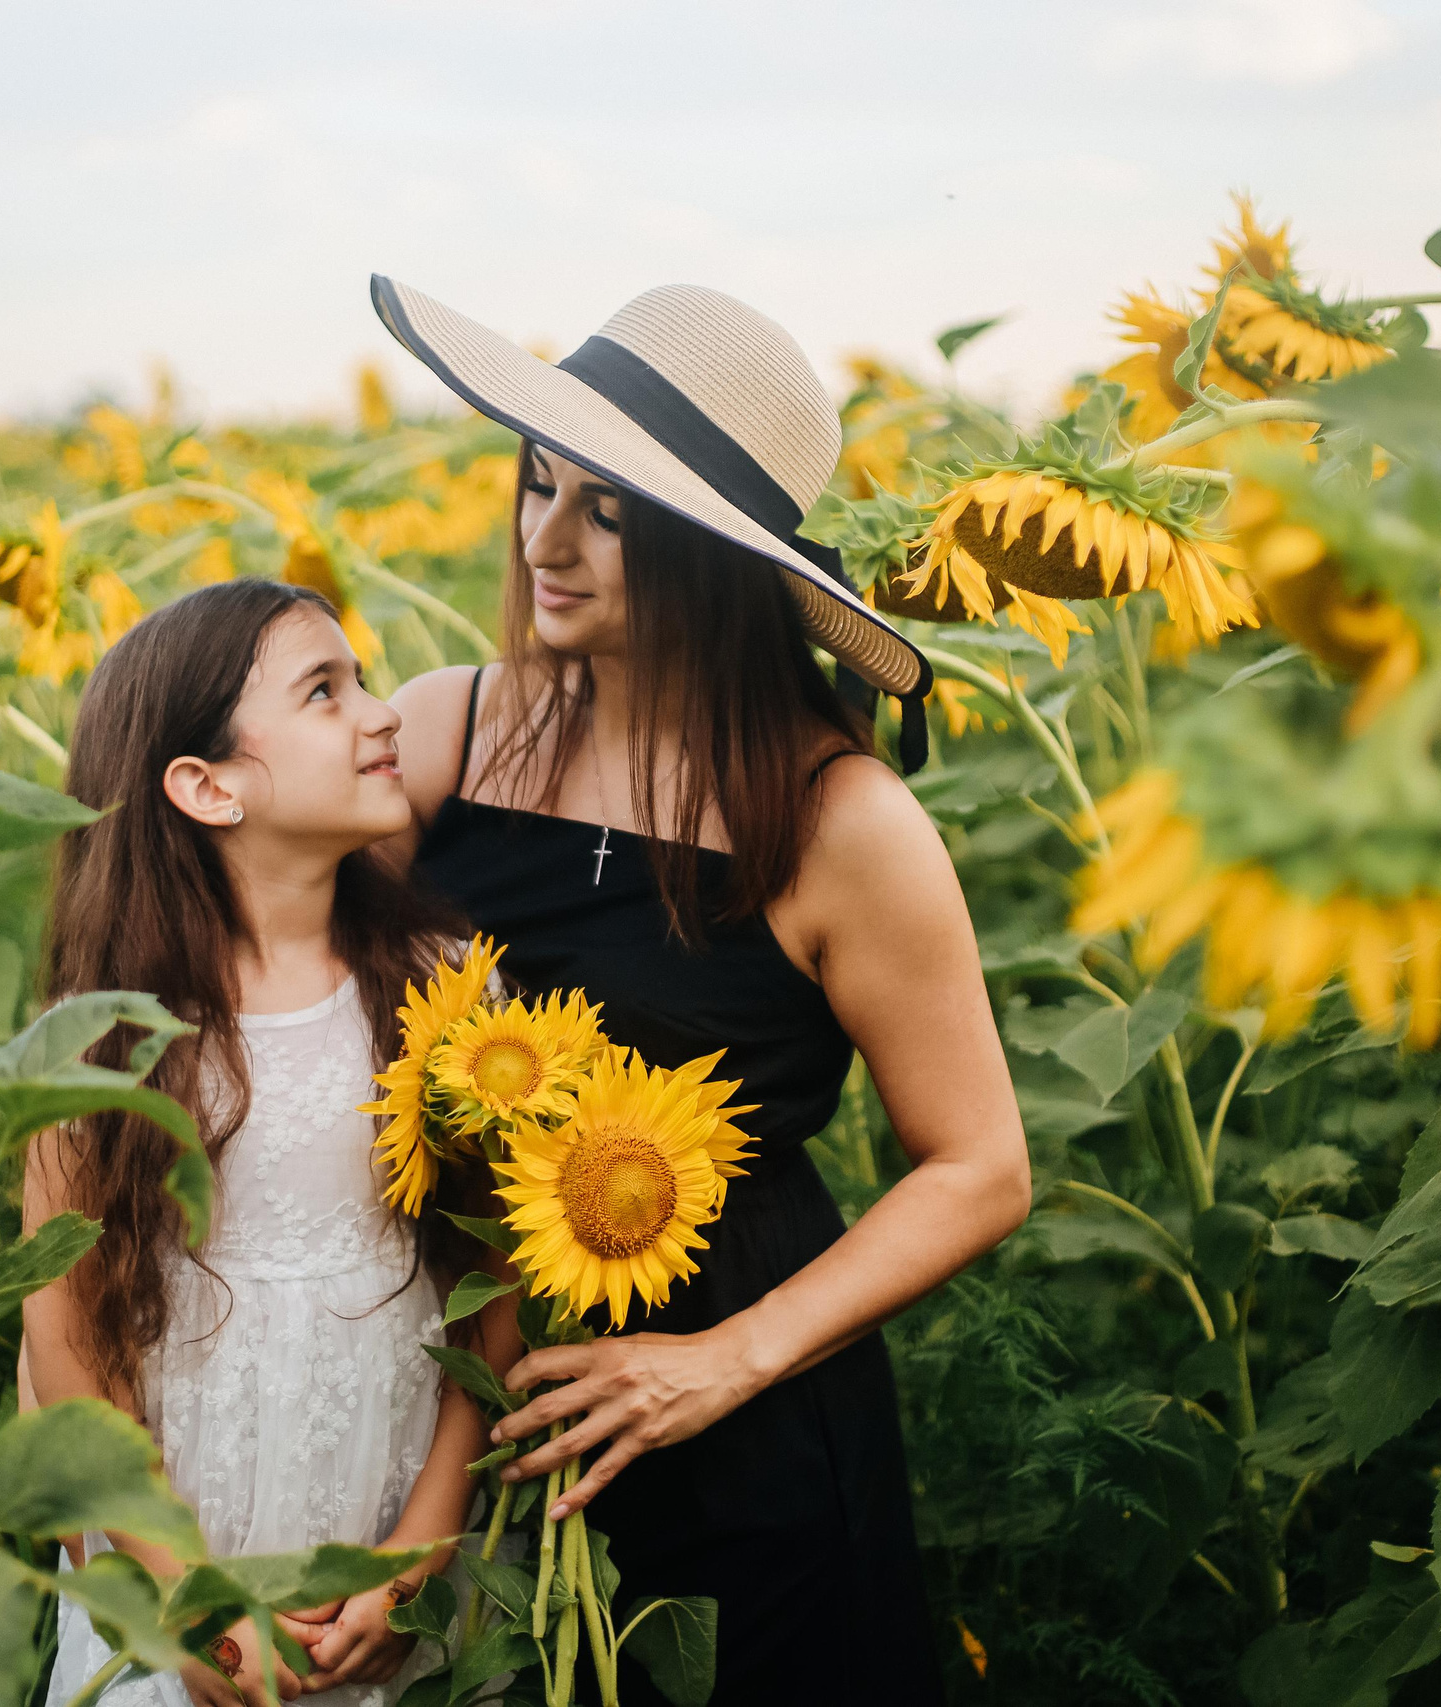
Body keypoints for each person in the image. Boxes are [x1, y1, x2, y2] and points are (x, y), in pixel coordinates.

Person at [372, 277, 1033, 1703]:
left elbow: (981, 1166)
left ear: (717, 557)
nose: (545, 541)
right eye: (539, 482)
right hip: (458, 1399)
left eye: (607, 512)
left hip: (743, 1424)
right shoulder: (442, 732)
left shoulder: (838, 820)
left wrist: (722, 1360)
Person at [21, 580, 489, 1706]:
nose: (383, 713)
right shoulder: (104, 1035)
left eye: (364, 681)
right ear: (207, 785)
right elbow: (67, 1343)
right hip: (183, 1559)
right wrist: (184, 1598)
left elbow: (494, 1288)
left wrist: (423, 1548)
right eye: (324, 692)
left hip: (390, 1544)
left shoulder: (445, 989)